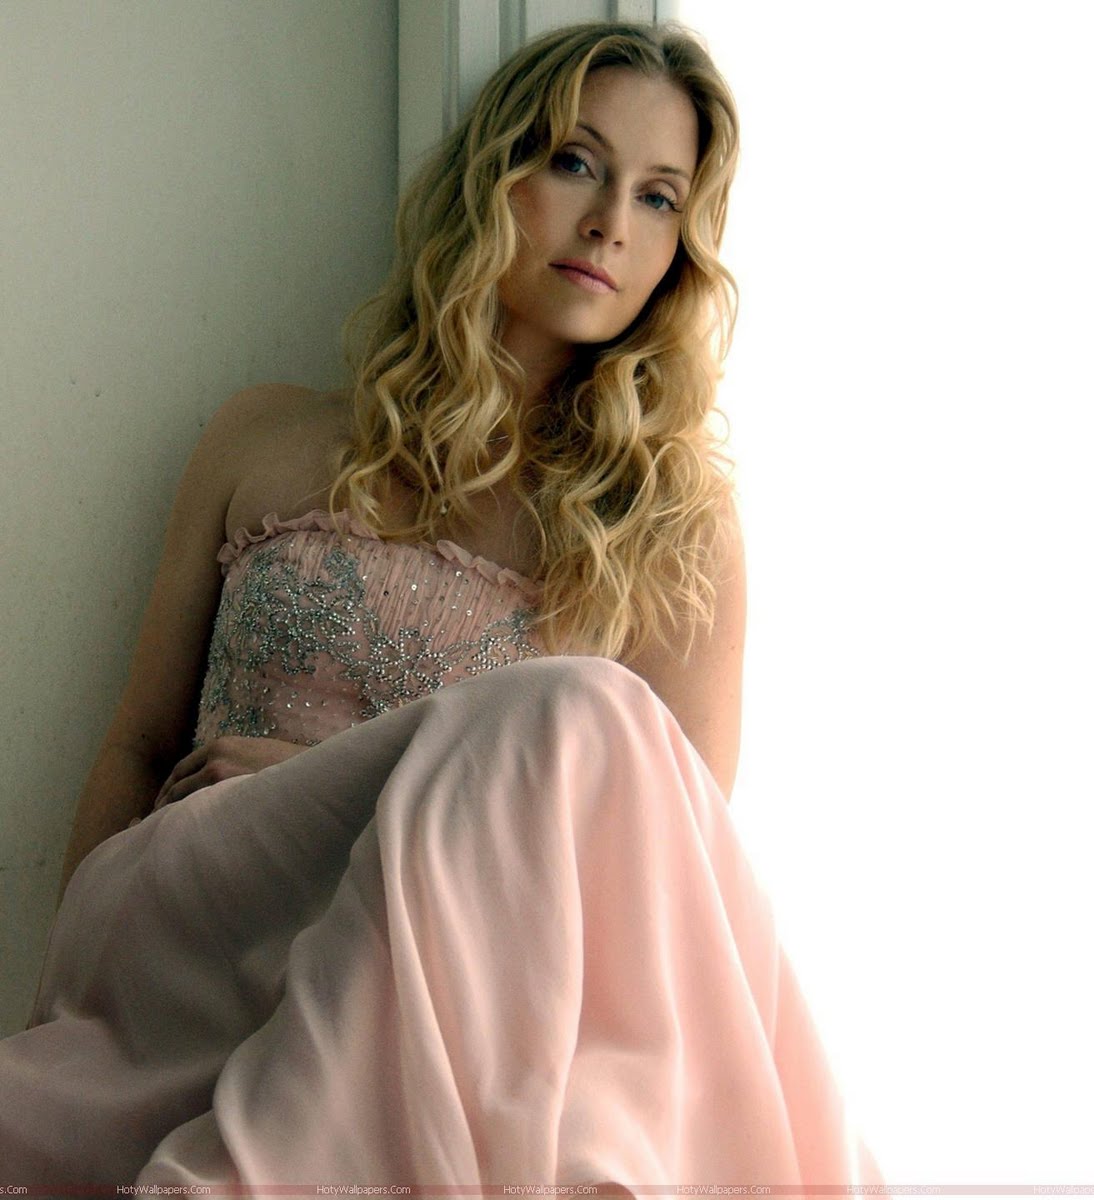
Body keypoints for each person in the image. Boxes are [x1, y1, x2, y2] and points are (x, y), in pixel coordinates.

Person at [1, 20, 883, 1193]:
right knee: (576, 710)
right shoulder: (262, 436)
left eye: (659, 197)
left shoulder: (672, 534)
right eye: (575, 162)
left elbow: (655, 880)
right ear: (494, 174)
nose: (611, 223)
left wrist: (330, 792)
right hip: (198, 916)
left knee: (583, 720)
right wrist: (70, 990)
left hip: (431, 986)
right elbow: (138, 740)